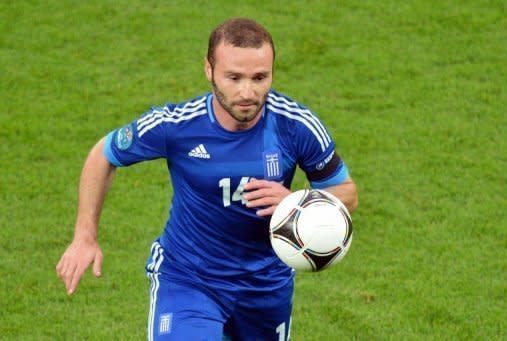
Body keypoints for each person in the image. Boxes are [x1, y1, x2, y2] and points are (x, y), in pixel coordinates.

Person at [56, 17, 358, 340]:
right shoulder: (177, 126)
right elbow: (104, 154)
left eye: (259, 78)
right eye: (234, 77)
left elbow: (345, 193)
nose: (247, 92)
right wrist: (84, 236)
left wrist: (295, 203)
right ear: (209, 70)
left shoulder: (295, 125)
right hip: (189, 279)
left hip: (266, 286)